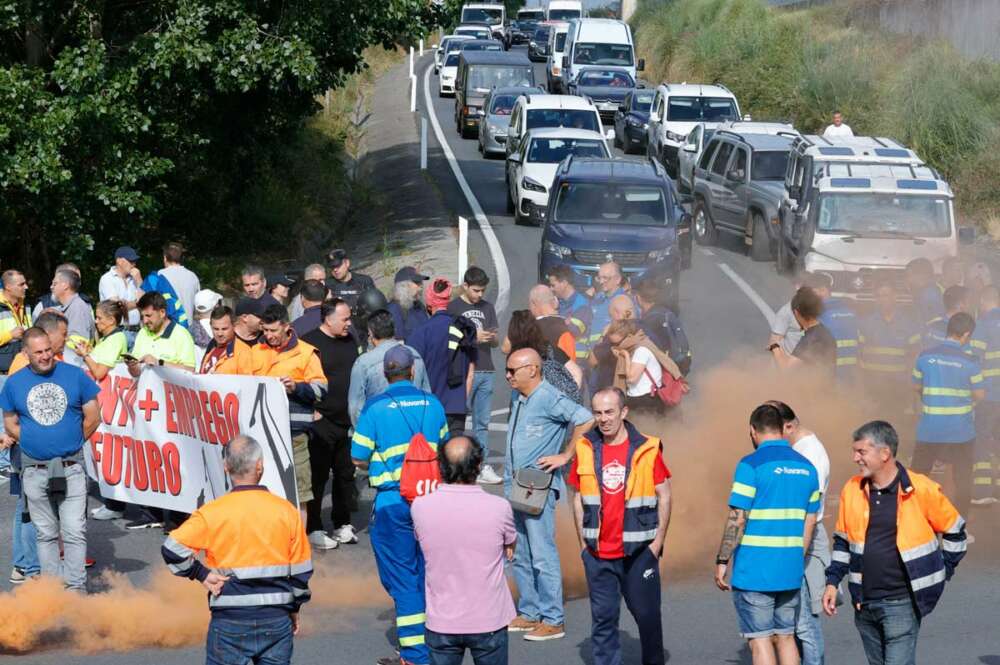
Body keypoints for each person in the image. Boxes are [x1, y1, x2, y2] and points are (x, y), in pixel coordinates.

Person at [823, 421, 967, 665]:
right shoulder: (852, 489)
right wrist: (832, 581)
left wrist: (944, 570)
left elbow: (956, 531)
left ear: (885, 453)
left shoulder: (921, 488)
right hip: (864, 602)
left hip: (901, 603)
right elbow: (843, 542)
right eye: (855, 451)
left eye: (861, 451)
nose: (855, 457)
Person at [161, 435, 313, 665]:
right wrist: (293, 608)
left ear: (226, 467)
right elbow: (301, 574)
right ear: (260, 466)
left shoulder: (212, 512)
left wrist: (201, 574)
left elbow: (172, 549)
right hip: (276, 620)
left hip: (229, 621)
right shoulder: (287, 512)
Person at [351, 345, 449, 665]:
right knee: (428, 572)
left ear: (385, 373)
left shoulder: (375, 407)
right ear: (412, 372)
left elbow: (358, 456)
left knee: (402, 577)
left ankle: (415, 655)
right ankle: (436, 641)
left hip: (394, 502)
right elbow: (446, 449)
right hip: (433, 501)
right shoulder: (434, 404)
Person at [568, 388, 671, 665]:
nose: (603, 419)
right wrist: (583, 546)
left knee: (648, 618)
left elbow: (665, 493)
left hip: (639, 553)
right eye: (598, 413)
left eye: (609, 412)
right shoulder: (584, 447)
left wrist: (657, 544)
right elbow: (578, 496)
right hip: (598, 555)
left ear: (624, 412)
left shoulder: (648, 448)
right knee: (603, 622)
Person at [715, 404, 820, 665]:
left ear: (753, 430)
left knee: (760, 639)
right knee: (785, 636)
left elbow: (737, 519)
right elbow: (810, 522)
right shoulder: (808, 468)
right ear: (782, 430)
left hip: (755, 571)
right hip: (790, 569)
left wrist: (722, 560)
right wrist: (797, 558)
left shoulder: (750, 465)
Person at [0, 327, 100, 591]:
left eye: (48, 350)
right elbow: (10, 423)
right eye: (39, 352)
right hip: (34, 470)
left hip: (71, 466)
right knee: (45, 534)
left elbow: (94, 415)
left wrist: (73, 442)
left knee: (74, 531)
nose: (46, 356)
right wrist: (33, 442)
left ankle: (76, 590)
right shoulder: (14, 383)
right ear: (26, 353)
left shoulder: (75, 375)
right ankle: (53, 591)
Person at [504, 347, 594, 642]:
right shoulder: (520, 397)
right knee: (522, 553)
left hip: (536, 485)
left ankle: (553, 619)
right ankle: (530, 612)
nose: (507, 376)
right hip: (518, 484)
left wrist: (565, 455)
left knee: (542, 554)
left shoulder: (548, 396)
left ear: (532, 369)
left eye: (512, 371)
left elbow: (585, 419)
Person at [412, 435, 517, 665]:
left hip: (441, 622)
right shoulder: (500, 508)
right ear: (478, 465)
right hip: (489, 619)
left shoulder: (420, 507)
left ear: (441, 466)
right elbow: (510, 544)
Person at [251, 304, 327, 523]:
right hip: (262, 434)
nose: (268, 335)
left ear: (286, 326)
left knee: (299, 493)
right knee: (266, 491)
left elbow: (322, 390)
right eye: (265, 330)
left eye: (273, 330)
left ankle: (299, 549)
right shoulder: (256, 352)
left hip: (294, 434)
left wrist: (297, 387)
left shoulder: (305, 352)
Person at [768, 401, 831, 665]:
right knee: (793, 621)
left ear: (789, 426)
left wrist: (795, 555)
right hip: (795, 538)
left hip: (804, 539)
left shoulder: (811, 455)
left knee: (805, 622)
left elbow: (808, 513)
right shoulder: (798, 448)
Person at [910, 312, 984, 519]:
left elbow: (916, 386)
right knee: (962, 479)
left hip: (929, 428)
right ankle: (958, 528)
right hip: (960, 431)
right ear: (966, 335)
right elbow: (979, 393)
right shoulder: (970, 360)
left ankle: (914, 521)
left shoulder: (924, 356)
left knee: (918, 476)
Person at [301, 299, 360, 549]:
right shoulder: (309, 343)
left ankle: (342, 523)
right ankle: (314, 526)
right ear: (328, 319)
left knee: (345, 474)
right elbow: (300, 380)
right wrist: (311, 410)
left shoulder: (350, 340)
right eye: (345, 319)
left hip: (346, 421)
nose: (349, 323)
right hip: (321, 421)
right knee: (318, 477)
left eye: (349, 318)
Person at [447, 267, 500, 481]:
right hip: (464, 371)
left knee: (483, 422)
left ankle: (482, 466)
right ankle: (455, 465)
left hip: (487, 369)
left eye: (483, 291)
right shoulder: (454, 308)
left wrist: (490, 337)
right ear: (465, 286)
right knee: (457, 420)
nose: (480, 295)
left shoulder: (487, 307)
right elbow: (450, 341)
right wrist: (471, 338)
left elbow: (496, 339)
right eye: (476, 290)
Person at [409, 277, 477, 433]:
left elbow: (413, 375)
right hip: (457, 407)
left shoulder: (420, 334)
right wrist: (461, 399)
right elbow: (471, 372)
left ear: (429, 304)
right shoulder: (465, 328)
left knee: (432, 455)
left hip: (429, 407)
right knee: (453, 455)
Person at [348, 309, 431, 425]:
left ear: (370, 333)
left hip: (379, 432)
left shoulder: (364, 362)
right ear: (394, 330)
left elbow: (355, 407)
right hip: (413, 430)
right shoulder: (414, 355)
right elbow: (426, 395)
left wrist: (365, 433)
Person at [859, 278, 921, 405]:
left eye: (886, 295)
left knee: (896, 421)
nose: (882, 300)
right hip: (872, 385)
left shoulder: (909, 324)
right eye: (879, 296)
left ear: (895, 296)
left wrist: (911, 384)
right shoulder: (866, 323)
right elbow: (858, 355)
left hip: (898, 386)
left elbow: (915, 356)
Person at [503, 310, 582, 403]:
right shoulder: (549, 349)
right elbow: (576, 372)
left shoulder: (516, 356)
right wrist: (568, 398)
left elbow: (504, 348)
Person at [605, 319, 682, 414]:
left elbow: (631, 378)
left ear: (628, 337)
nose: (614, 347)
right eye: (612, 344)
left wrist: (625, 355)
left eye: (617, 344)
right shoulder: (634, 348)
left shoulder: (640, 351)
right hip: (639, 398)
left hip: (645, 401)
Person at [970, 286, 1000, 504]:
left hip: (989, 393)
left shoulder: (983, 324)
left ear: (983, 300)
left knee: (982, 437)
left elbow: (973, 358)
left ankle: (982, 490)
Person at [127, 291, 198, 377]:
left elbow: (190, 370)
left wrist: (159, 363)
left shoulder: (182, 335)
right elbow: (136, 373)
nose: (145, 321)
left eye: (148, 315)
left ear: (162, 313)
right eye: (142, 316)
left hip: (170, 390)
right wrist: (132, 366)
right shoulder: (143, 332)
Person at [770, 286, 836, 374]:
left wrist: (775, 348)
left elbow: (786, 370)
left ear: (797, 313)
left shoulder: (810, 339)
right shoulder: (825, 332)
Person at [808, 272, 860, 380]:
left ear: (823, 290)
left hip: (830, 375)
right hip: (852, 374)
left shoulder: (819, 316)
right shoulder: (850, 312)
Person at [634, 279, 691, 376]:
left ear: (638, 298)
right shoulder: (667, 312)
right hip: (681, 363)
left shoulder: (649, 320)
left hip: (666, 368)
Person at [43, 268, 96, 367]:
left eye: (55, 284)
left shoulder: (78, 308)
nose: (51, 287)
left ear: (65, 285)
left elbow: (79, 345)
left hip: (75, 365)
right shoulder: (65, 307)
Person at [75, 300, 129, 383]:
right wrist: (89, 350)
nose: (96, 321)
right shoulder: (105, 339)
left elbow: (99, 373)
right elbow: (100, 359)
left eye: (99, 318)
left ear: (111, 320)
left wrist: (85, 355)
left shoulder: (115, 339)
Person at [97, 246, 142, 345]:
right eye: (131, 261)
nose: (134, 264)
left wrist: (139, 281)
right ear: (119, 261)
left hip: (138, 332)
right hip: (117, 332)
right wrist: (138, 303)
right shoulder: (107, 279)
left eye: (135, 261)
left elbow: (146, 304)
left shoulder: (135, 279)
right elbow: (116, 307)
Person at [546, 264, 591, 361]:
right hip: (561, 358)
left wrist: (555, 315)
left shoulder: (582, 304)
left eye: (553, 285)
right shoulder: (558, 303)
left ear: (564, 283)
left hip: (577, 361)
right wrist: (565, 321)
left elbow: (574, 330)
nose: (551, 289)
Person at [157, 241, 201, 324]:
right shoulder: (193, 276)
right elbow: (197, 306)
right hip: (188, 327)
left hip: (169, 328)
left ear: (165, 257)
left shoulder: (160, 275)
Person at [529, 285, 577, 362]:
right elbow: (570, 366)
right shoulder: (563, 329)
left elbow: (506, 347)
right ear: (555, 301)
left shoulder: (528, 329)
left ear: (534, 303)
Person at [588, 263, 629, 351]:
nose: (601, 281)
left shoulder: (624, 302)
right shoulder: (598, 297)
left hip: (608, 356)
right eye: (599, 277)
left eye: (605, 278)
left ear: (618, 279)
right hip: (590, 355)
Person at [0, 269, 31, 375]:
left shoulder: (26, 305)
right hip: (3, 374)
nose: (26, 287)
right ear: (8, 287)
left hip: (25, 370)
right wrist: (10, 335)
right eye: (21, 284)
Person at [769, 272, 807, 357]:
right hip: (791, 363)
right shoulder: (786, 311)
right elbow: (774, 342)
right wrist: (782, 366)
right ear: (797, 287)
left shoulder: (819, 309)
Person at [923, 285, 970, 351]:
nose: (971, 304)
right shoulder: (934, 325)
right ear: (961, 304)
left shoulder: (932, 325)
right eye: (969, 301)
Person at [389, 266, 430, 341]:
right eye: (417, 282)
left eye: (421, 282)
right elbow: (398, 343)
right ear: (403, 286)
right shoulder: (394, 310)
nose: (421, 286)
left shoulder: (419, 305)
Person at [906, 257, 944, 327]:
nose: (908, 280)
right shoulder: (928, 292)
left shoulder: (929, 295)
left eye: (909, 275)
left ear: (921, 276)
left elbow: (934, 326)